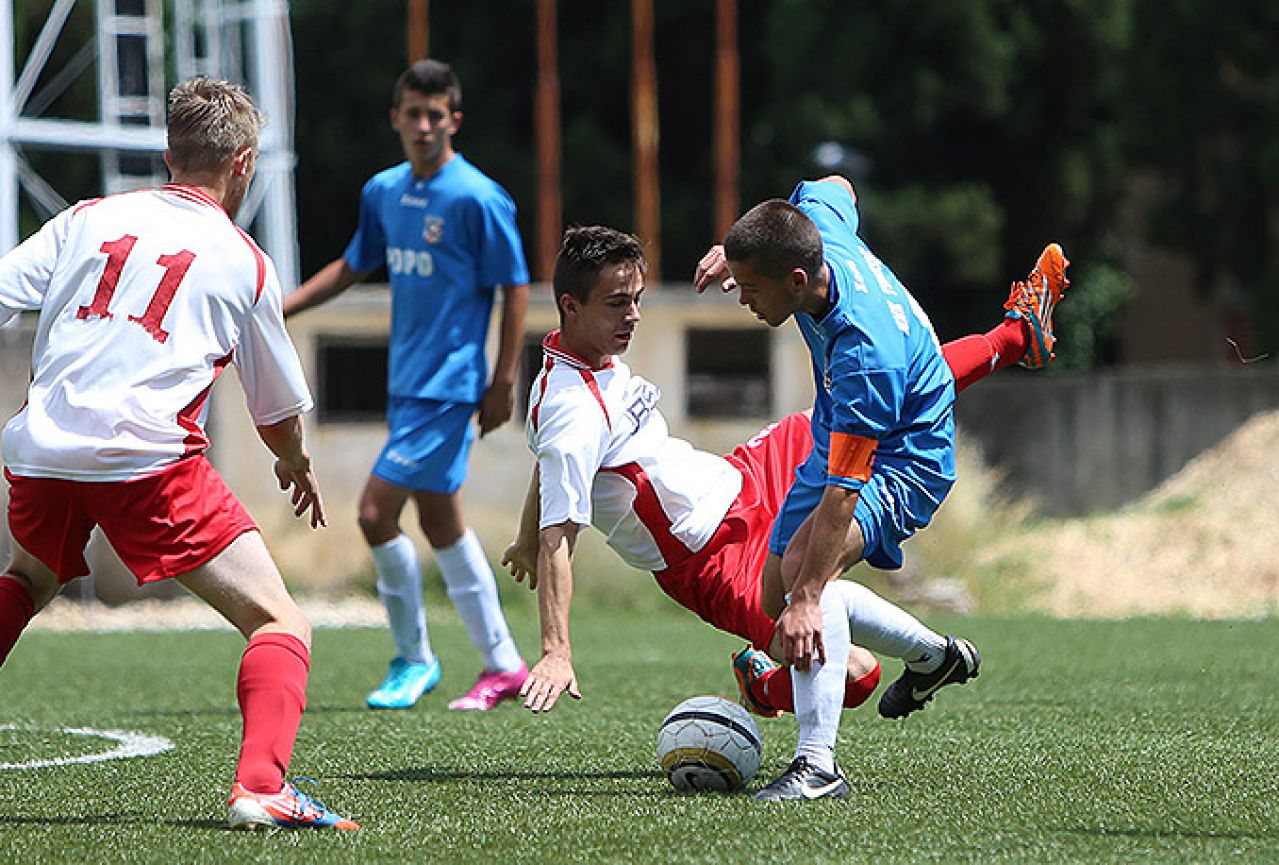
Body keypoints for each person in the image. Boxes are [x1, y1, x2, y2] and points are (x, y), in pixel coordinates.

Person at [504, 223, 1066, 796]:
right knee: (856, 674)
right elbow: (560, 532)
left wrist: (521, 536)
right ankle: (892, 665)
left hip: (746, 473)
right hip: (712, 561)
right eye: (617, 303)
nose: (633, 316)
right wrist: (555, 651)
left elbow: (549, 465)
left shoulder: (586, 364)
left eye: (638, 300)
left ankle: (1014, 339)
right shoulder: (570, 413)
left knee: (880, 388)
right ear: (570, 307)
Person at [0, 78, 357, 830]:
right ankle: (261, 785)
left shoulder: (88, 217)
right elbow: (276, 412)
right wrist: (294, 461)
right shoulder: (244, 260)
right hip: (144, 463)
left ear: (170, 155)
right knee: (279, 622)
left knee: (27, 579)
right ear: (245, 164)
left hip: (41, 451)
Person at [691, 175, 1068, 800]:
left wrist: (811, 595)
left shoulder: (863, 357)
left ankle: (817, 768)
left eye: (751, 289)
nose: (743, 299)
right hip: (842, 428)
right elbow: (834, 185)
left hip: (907, 460)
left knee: (810, 580)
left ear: (795, 282)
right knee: (770, 596)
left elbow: (845, 489)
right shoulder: (819, 232)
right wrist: (739, 252)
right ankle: (933, 655)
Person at [283, 59, 530, 711]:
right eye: (412, 114)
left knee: (374, 512)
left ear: (453, 119)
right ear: (396, 118)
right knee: (441, 520)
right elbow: (351, 264)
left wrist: (503, 379)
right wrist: (277, 309)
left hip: (451, 386)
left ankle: (413, 657)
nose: (423, 125)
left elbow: (514, 286)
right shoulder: (384, 191)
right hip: (407, 384)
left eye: (435, 114)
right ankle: (502, 662)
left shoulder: (477, 196)